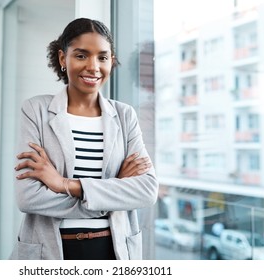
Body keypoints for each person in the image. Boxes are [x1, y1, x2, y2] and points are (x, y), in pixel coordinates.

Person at [10, 18, 158, 260]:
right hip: (51, 251)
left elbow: (147, 191)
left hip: (113, 251)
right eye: (81, 56)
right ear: (62, 59)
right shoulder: (35, 109)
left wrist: (64, 185)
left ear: (111, 60)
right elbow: (28, 197)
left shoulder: (124, 115)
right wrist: (112, 192)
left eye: (102, 57)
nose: (93, 66)